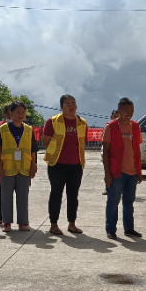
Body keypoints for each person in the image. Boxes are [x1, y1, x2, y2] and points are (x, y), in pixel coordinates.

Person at [42, 94, 86, 235]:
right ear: (61, 107)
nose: (71, 106)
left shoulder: (82, 123)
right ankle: (53, 224)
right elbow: (46, 141)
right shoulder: (53, 121)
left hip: (76, 164)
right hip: (57, 164)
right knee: (56, 194)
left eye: (73, 103)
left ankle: (72, 224)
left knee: (73, 195)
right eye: (67, 104)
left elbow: (82, 142)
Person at [103, 97, 142, 238]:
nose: (129, 113)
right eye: (126, 110)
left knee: (129, 202)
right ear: (119, 110)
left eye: (132, 110)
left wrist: (139, 171)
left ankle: (129, 228)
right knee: (113, 201)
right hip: (116, 171)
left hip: (132, 172)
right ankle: (111, 229)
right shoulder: (111, 126)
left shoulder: (135, 126)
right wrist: (107, 174)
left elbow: (137, 150)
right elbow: (105, 152)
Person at [0, 101, 37, 232]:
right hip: (7, 166)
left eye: (23, 112)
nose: (21, 115)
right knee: (6, 195)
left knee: (23, 195)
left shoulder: (29, 130)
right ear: (11, 113)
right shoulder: (3, 129)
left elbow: (33, 150)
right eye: (17, 112)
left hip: (24, 167)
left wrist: (33, 165)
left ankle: (23, 222)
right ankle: (7, 222)